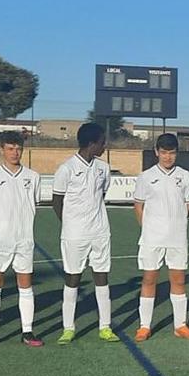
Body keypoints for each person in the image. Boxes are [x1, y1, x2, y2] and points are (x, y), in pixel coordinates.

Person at [52, 123, 118, 344]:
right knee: (73, 278)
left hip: (100, 232)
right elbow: (57, 200)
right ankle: (68, 328)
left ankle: (105, 327)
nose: (104, 146)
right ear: (92, 144)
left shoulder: (103, 168)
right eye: (102, 142)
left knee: (102, 277)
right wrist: (70, 224)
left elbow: (103, 193)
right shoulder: (66, 169)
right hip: (74, 235)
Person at [0, 131, 43, 349]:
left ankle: (27, 331)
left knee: (25, 286)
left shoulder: (33, 177)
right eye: (10, 148)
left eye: (18, 148)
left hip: (24, 241)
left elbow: (33, 206)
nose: (15, 152)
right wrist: (0, 228)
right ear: (2, 150)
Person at [133, 134, 189, 342]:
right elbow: (138, 206)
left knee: (178, 280)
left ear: (177, 153)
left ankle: (180, 325)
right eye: (164, 152)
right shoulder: (146, 176)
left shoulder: (186, 176)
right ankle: (144, 326)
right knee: (149, 279)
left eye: (171, 153)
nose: (168, 157)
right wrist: (150, 228)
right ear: (156, 152)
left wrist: (176, 225)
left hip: (177, 239)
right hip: (152, 239)